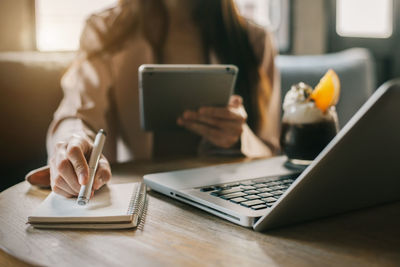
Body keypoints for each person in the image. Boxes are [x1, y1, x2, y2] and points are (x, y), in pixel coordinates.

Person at [27, 0, 281, 197]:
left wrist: (239, 138)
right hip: (132, 201)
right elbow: (77, 113)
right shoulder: (105, 30)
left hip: (227, 200)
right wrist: (72, 145)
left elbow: (271, 149)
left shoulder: (255, 39)